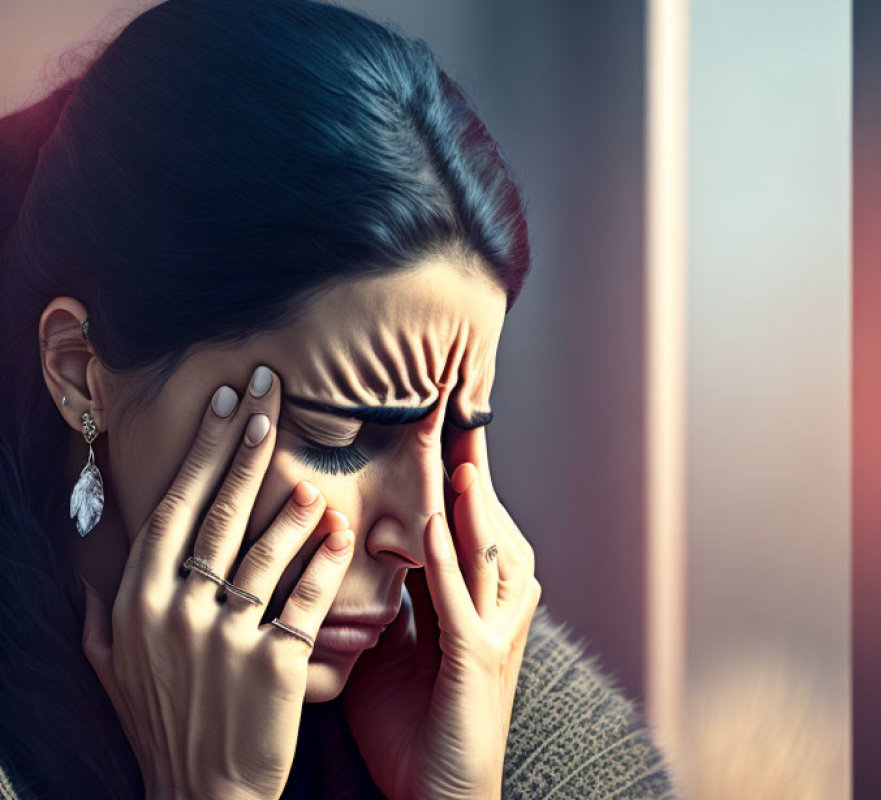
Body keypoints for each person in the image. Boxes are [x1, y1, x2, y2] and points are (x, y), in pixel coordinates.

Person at [0, 1, 676, 798]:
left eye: (457, 435)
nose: (421, 542)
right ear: (80, 370)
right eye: (335, 434)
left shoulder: (484, 694)